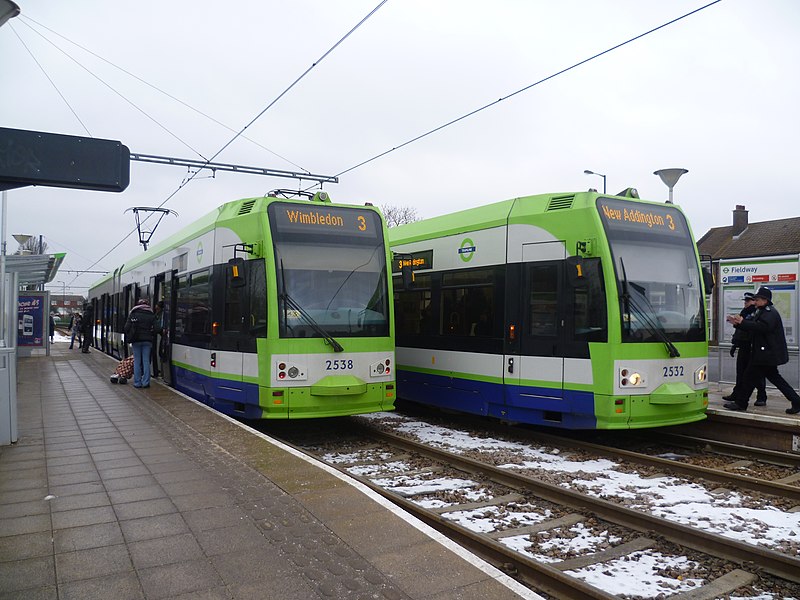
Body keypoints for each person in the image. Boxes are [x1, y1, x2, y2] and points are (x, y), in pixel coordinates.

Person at [724, 286, 800, 414]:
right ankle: (796, 401)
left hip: (766, 354)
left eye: (757, 299)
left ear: (765, 300)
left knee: (749, 377)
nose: (755, 301)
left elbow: (762, 327)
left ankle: (741, 403)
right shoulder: (762, 311)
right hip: (765, 353)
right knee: (774, 378)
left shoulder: (770, 313)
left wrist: (742, 322)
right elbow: (753, 328)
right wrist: (738, 324)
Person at [723, 292, 767, 406]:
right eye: (745, 301)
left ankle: (761, 396)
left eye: (748, 300)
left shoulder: (756, 313)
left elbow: (752, 329)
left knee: (756, 374)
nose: (746, 303)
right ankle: (737, 394)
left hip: (751, 347)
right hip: (743, 346)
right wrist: (735, 344)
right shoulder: (744, 312)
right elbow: (739, 331)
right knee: (741, 373)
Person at [124, 298, 156, 388]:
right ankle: (146, 382)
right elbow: (157, 328)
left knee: (137, 361)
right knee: (146, 361)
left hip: (136, 340)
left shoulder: (133, 314)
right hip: (147, 341)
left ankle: (137, 383)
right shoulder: (151, 314)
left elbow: (126, 328)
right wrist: (150, 333)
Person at [152, 301, 164, 378]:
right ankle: (162, 373)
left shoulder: (160, 315)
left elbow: (159, 328)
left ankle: (162, 373)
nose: (157, 310)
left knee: (162, 354)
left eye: (158, 309)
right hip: (163, 336)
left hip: (164, 337)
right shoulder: (158, 315)